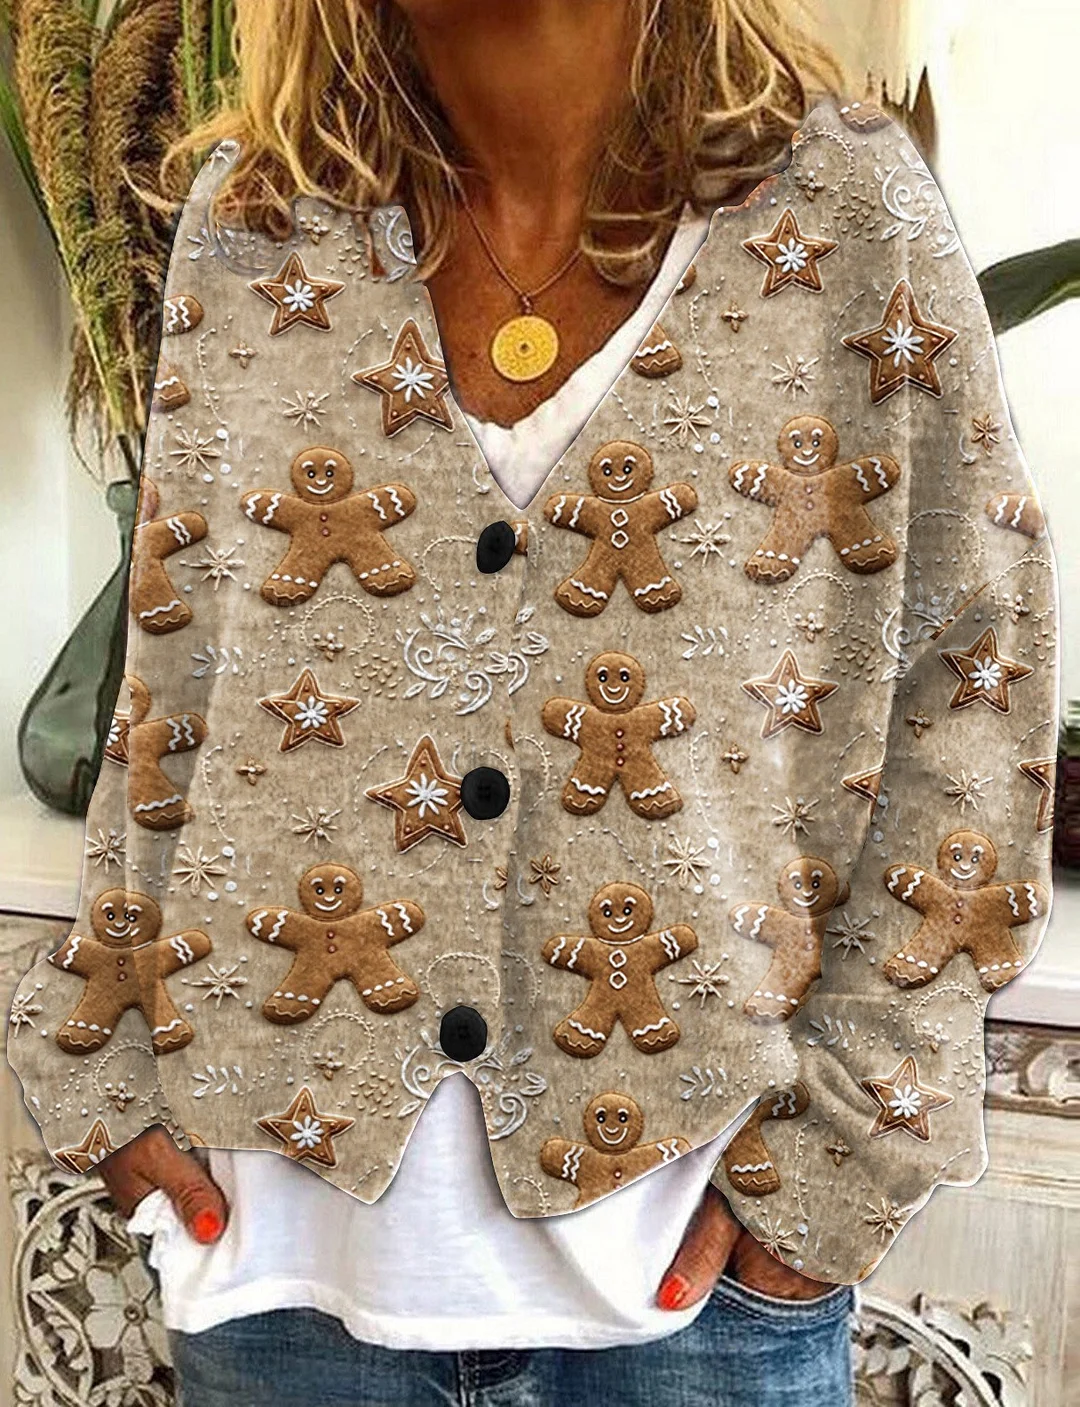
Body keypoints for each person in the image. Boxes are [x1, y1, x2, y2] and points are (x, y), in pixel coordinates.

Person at [5, 3, 1056, 1405]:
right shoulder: (253, 229)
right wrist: (107, 1054)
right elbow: (174, 677)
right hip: (280, 1287)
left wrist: (842, 1160)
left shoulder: (848, 216)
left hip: (692, 1311)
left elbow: (974, 685)